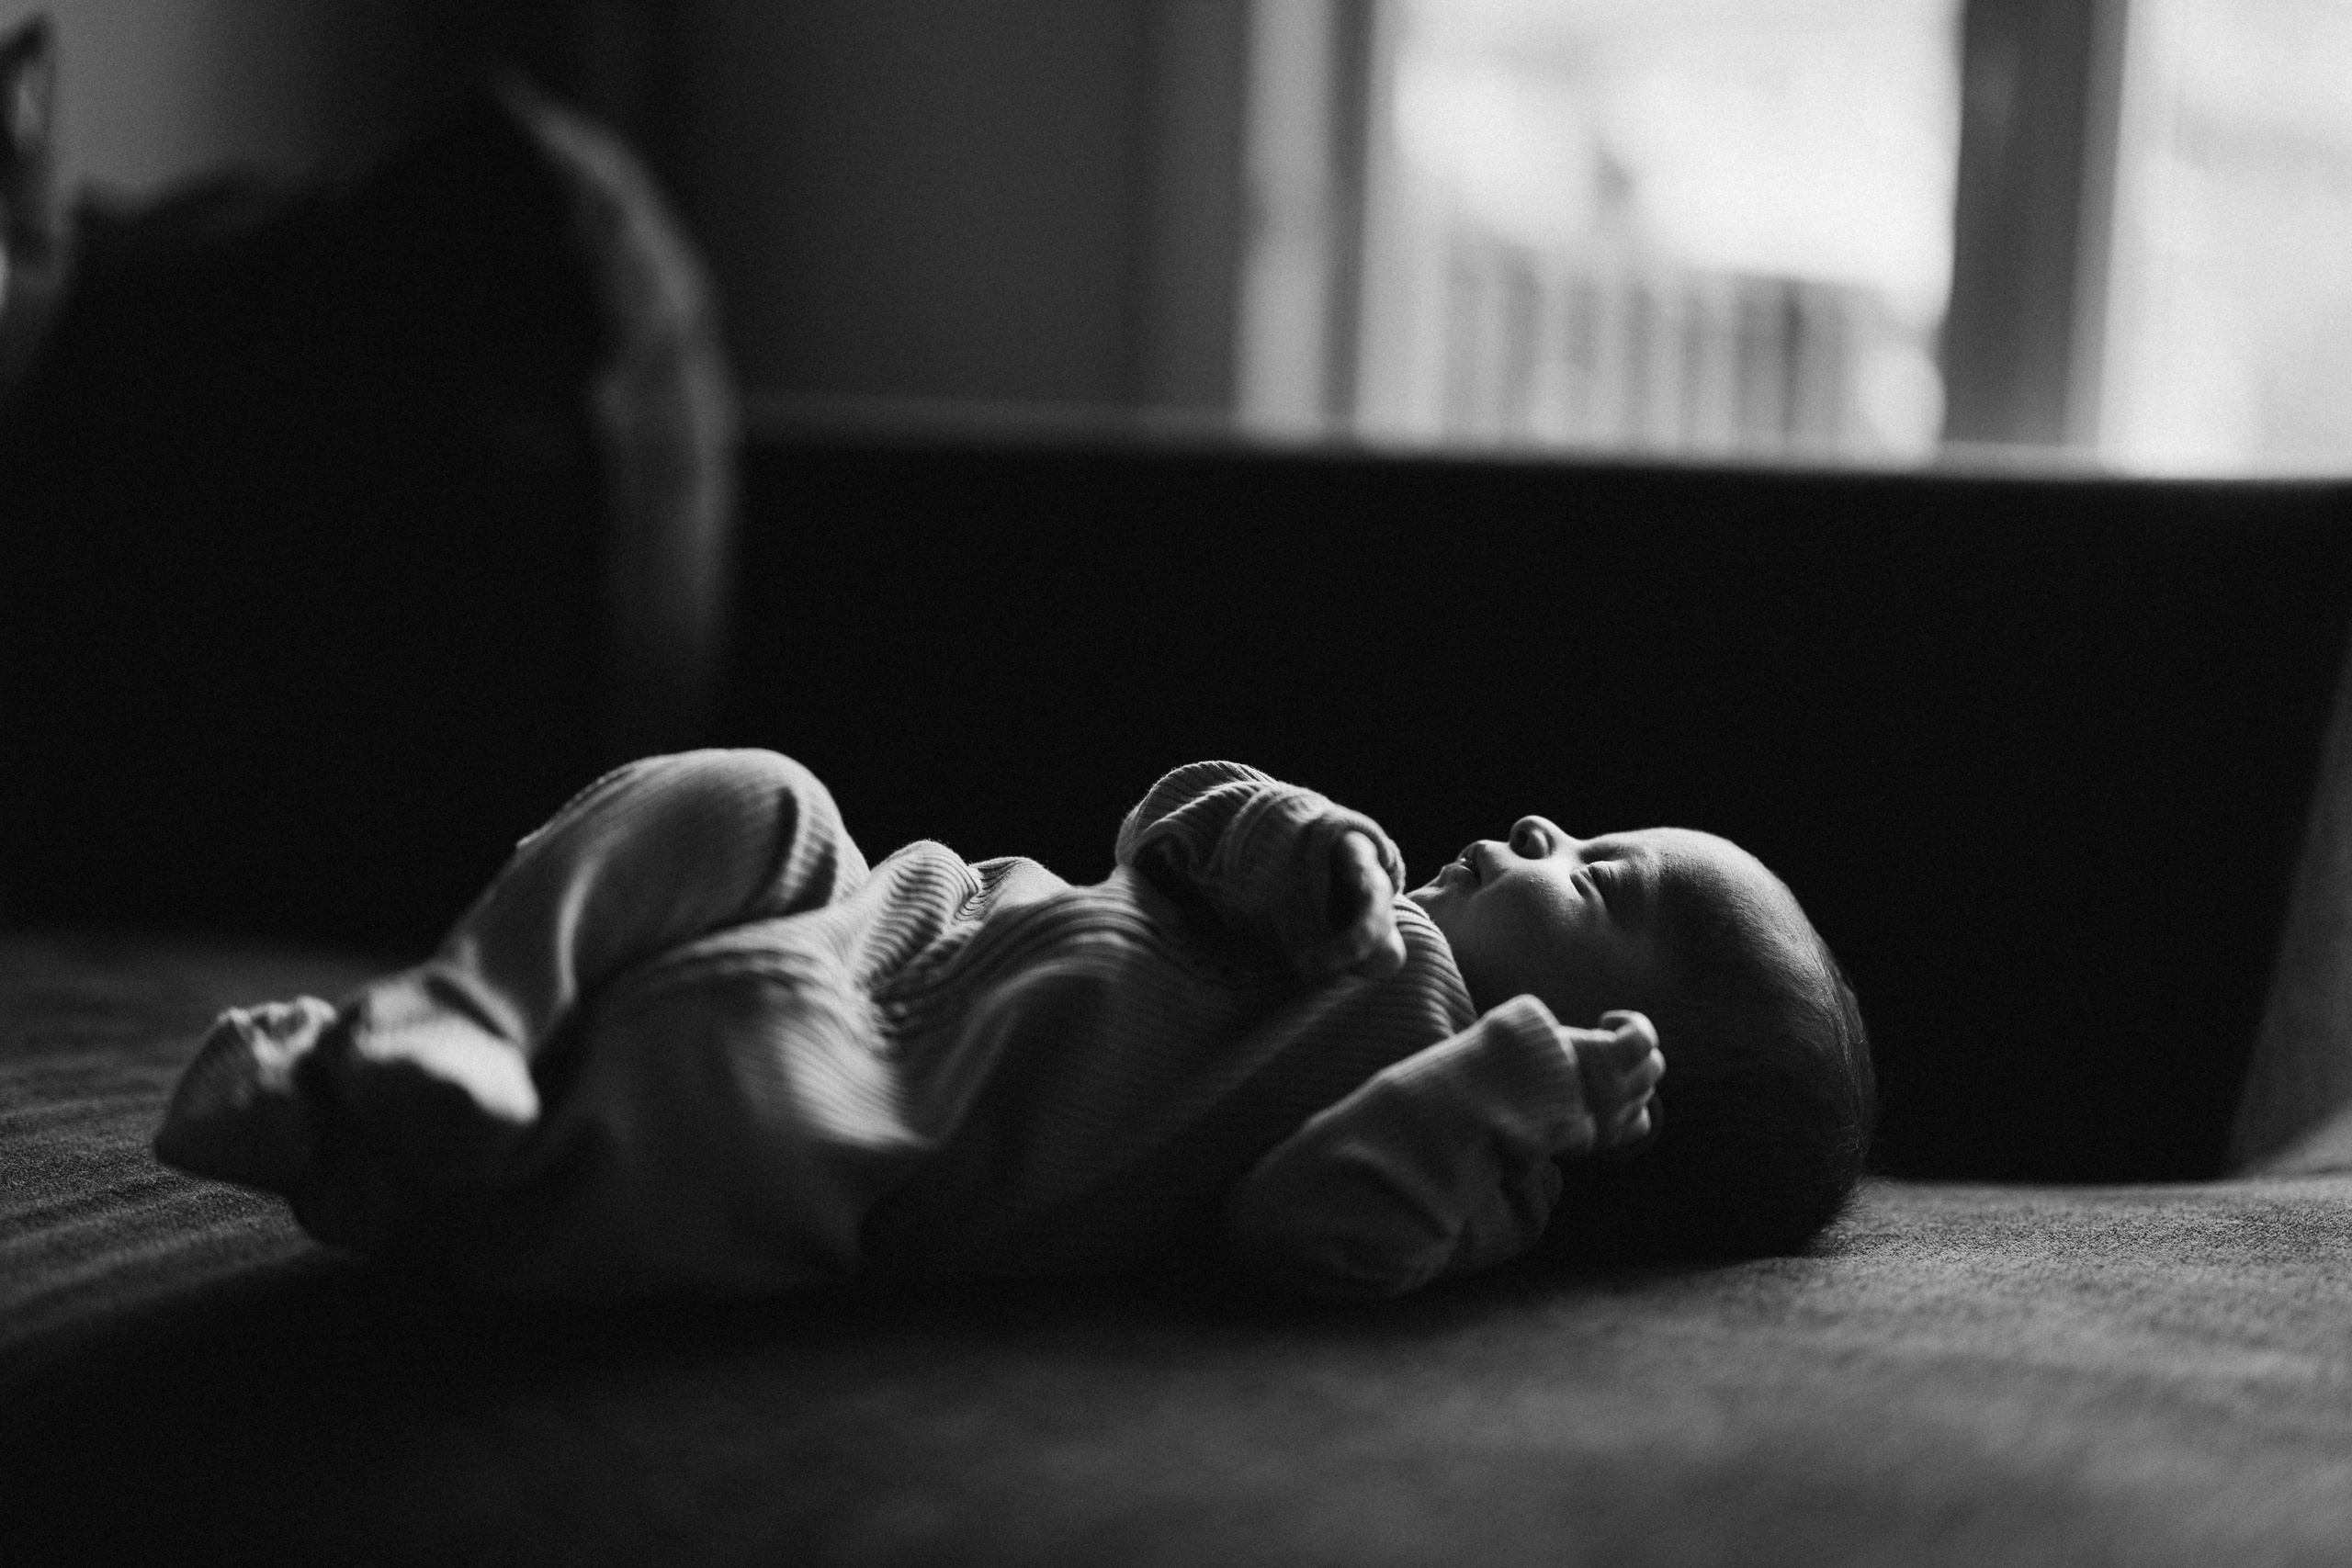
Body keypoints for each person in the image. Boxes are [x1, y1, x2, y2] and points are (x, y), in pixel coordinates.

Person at [153, 750, 1873, 1300]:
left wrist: (1492, 1087)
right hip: (873, 910)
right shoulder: (1347, 890)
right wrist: (1290, 832)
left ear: (1618, 1066)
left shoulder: (1479, 1168)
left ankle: (354, 1126)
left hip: (876, 1115)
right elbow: (1170, 818)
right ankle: (468, 1007)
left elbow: (1305, 1228)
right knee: (749, 794)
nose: (1546, 830)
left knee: (696, 1144)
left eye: (1600, 878)